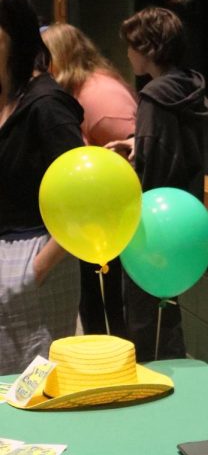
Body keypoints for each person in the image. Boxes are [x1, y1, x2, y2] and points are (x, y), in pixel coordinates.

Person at [107, 6, 208, 360]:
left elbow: (153, 168)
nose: (127, 53)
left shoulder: (153, 96)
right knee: (168, 315)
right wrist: (138, 144)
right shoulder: (186, 87)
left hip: (152, 227)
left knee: (142, 319)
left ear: (149, 49)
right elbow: (174, 148)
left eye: (132, 46)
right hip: (183, 218)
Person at [0, 0, 84, 374]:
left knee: (35, 387)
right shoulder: (6, 96)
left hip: (35, 257)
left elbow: (82, 198)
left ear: (12, 35)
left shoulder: (47, 104)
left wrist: (37, 269)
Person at [42, 22, 137, 335]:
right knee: (92, 301)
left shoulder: (100, 95)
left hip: (112, 219)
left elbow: (136, 153)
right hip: (90, 217)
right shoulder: (73, 90)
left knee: (114, 306)